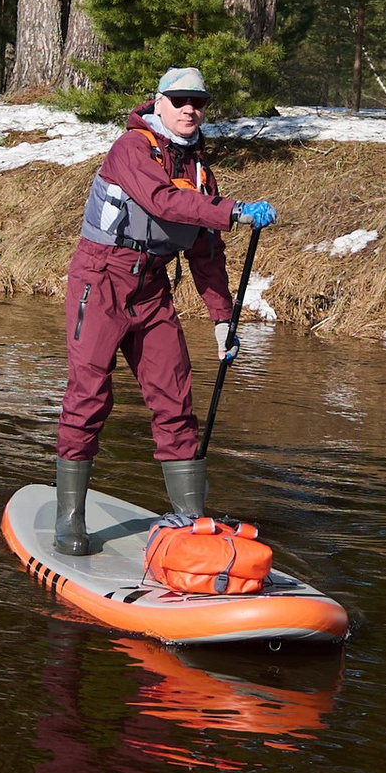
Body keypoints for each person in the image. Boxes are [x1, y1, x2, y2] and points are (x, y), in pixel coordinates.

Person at [54, 66, 276, 553]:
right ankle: (69, 519)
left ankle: (191, 521)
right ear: (159, 104)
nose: (190, 109)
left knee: (175, 400)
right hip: (101, 280)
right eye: (180, 101)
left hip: (152, 289)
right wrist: (233, 210)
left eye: (199, 102)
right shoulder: (131, 148)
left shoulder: (200, 172)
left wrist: (222, 320)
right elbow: (164, 203)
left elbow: (206, 253)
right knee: (89, 397)